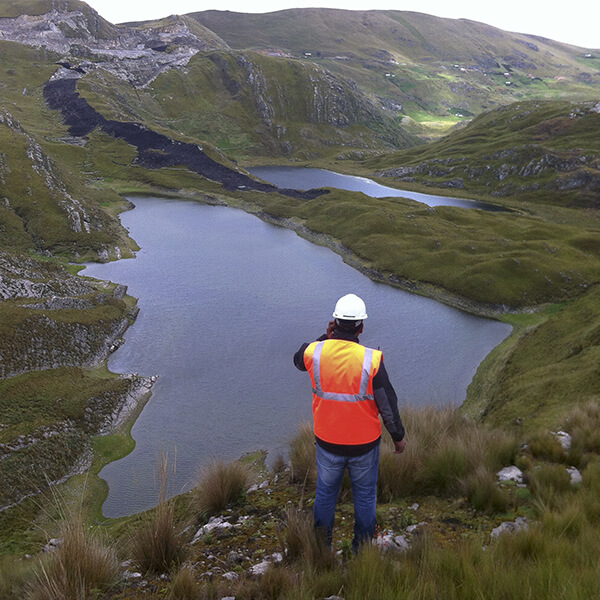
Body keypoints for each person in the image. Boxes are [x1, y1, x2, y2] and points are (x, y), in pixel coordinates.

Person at [293, 293, 405, 552]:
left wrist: (324, 338)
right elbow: (387, 404)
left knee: (325, 495)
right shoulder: (371, 359)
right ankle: (361, 550)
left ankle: (321, 549)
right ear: (361, 327)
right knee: (365, 498)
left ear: (334, 322)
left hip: (328, 443)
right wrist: (398, 436)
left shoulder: (316, 352)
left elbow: (298, 359)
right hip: (364, 445)